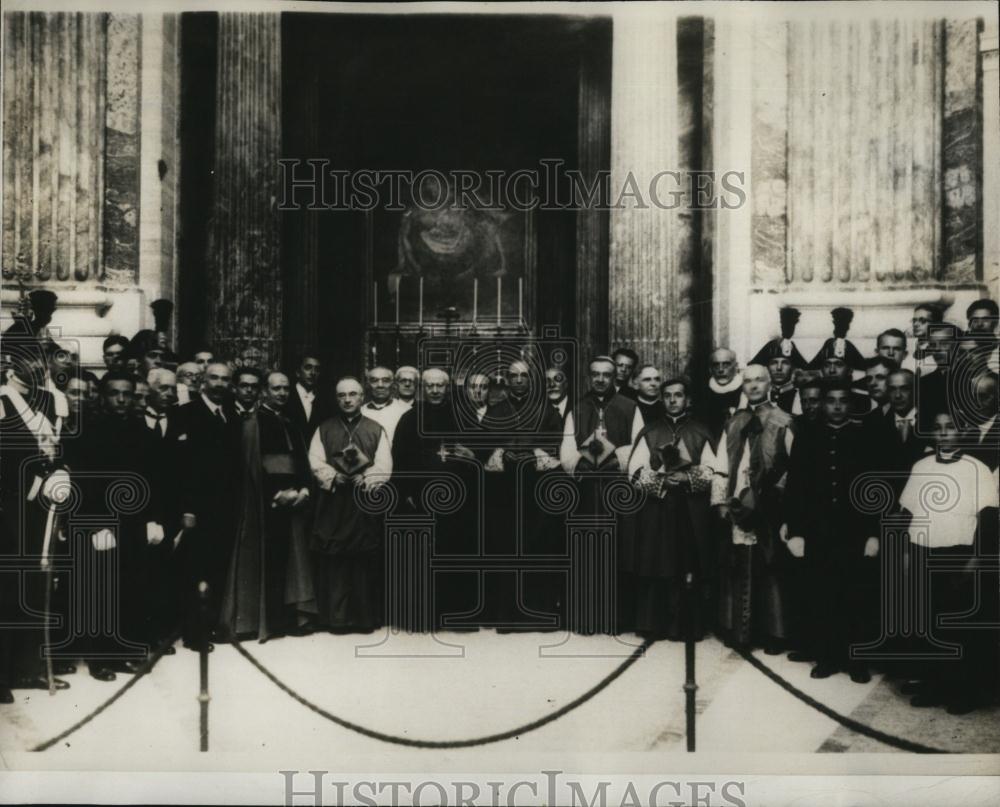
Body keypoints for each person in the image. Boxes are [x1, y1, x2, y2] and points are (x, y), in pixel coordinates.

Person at [899, 412, 999, 714]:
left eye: (950, 428)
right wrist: (905, 552)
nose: (943, 434)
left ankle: (963, 691)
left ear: (963, 432)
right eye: (938, 429)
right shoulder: (921, 466)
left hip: (958, 555)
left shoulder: (977, 469)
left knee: (958, 626)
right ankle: (935, 685)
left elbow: (989, 520)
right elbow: (907, 513)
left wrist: (976, 559)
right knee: (928, 623)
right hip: (922, 550)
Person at [785, 379, 879, 682]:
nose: (837, 406)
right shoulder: (808, 436)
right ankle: (826, 656)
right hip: (819, 531)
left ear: (851, 404)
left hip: (854, 532)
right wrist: (797, 532)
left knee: (856, 596)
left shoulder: (864, 437)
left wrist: (872, 534)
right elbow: (796, 488)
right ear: (821, 404)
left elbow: (875, 491)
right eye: (830, 400)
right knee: (822, 594)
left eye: (843, 400)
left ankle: (857, 660)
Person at [219, 371, 314, 641]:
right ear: (265, 392)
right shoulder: (252, 422)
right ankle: (262, 622)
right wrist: (277, 494)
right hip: (264, 504)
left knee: (290, 561)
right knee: (265, 562)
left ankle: (287, 619)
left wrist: (304, 489)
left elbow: (302, 462)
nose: (282, 393)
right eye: (276, 389)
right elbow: (251, 465)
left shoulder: (291, 422)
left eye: (285, 388)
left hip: (294, 502)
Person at [711, 364, 795, 653]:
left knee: (770, 568)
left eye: (760, 380)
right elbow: (721, 464)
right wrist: (721, 501)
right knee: (739, 566)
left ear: (770, 383)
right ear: (742, 386)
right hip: (738, 503)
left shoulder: (783, 420)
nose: (754, 385)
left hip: (771, 504)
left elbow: (793, 466)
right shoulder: (734, 422)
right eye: (748, 381)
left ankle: (774, 633)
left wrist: (776, 500)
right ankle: (741, 631)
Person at [624, 377, 716, 640]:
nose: (673, 400)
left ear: (688, 400)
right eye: (668, 395)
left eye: (678, 395)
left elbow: (714, 470)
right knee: (655, 563)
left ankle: (686, 627)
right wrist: (662, 480)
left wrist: (687, 478)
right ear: (662, 399)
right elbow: (635, 472)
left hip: (690, 510)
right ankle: (654, 625)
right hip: (658, 509)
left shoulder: (700, 431)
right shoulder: (650, 431)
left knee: (687, 563)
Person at [392, 368, 480, 630]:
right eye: (429, 385)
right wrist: (406, 493)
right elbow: (399, 459)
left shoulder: (463, 416)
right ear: (421, 387)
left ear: (447, 387)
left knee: (457, 555)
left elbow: (478, 454)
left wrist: (472, 456)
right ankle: (423, 616)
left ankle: (458, 615)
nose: (434, 390)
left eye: (439, 385)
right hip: (421, 499)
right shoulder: (409, 419)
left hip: (459, 500)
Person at [560, 355, 642, 633]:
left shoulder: (630, 407)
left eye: (606, 374)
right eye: (595, 374)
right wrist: (585, 462)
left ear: (614, 377)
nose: (600, 379)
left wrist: (611, 459)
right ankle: (585, 618)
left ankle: (616, 619)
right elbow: (567, 449)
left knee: (617, 552)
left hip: (616, 491)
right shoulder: (577, 408)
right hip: (585, 493)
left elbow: (638, 446)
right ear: (588, 376)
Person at [309, 377, 391, 633]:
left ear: (361, 397)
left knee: (363, 561)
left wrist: (365, 477)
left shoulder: (376, 429)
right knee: (335, 562)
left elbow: (384, 465)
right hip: (334, 505)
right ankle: (337, 620)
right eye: (342, 395)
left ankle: (364, 619)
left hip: (363, 505)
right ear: (336, 398)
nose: (347, 399)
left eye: (352, 394)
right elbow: (314, 461)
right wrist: (334, 476)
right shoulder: (324, 429)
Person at [175, 361, 239, 650]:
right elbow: (181, 467)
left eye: (225, 379)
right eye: (214, 378)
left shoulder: (231, 416)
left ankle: (212, 626)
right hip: (197, 510)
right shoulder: (185, 414)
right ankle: (194, 633)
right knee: (194, 570)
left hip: (224, 509)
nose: (219, 384)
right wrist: (187, 509)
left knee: (216, 568)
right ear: (203, 380)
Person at [699, 347, 744, 442]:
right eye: (716, 365)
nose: (720, 370)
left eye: (726, 364)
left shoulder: (746, 391)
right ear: (710, 369)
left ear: (736, 367)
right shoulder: (702, 395)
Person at [361, 365, 410, 445]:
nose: (380, 385)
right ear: (367, 384)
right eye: (374, 380)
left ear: (393, 384)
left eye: (385, 380)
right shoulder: (360, 412)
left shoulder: (406, 411)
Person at [287, 354, 328, 444]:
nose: (313, 372)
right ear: (298, 372)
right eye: (308, 367)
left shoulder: (325, 400)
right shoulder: (286, 396)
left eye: (317, 369)